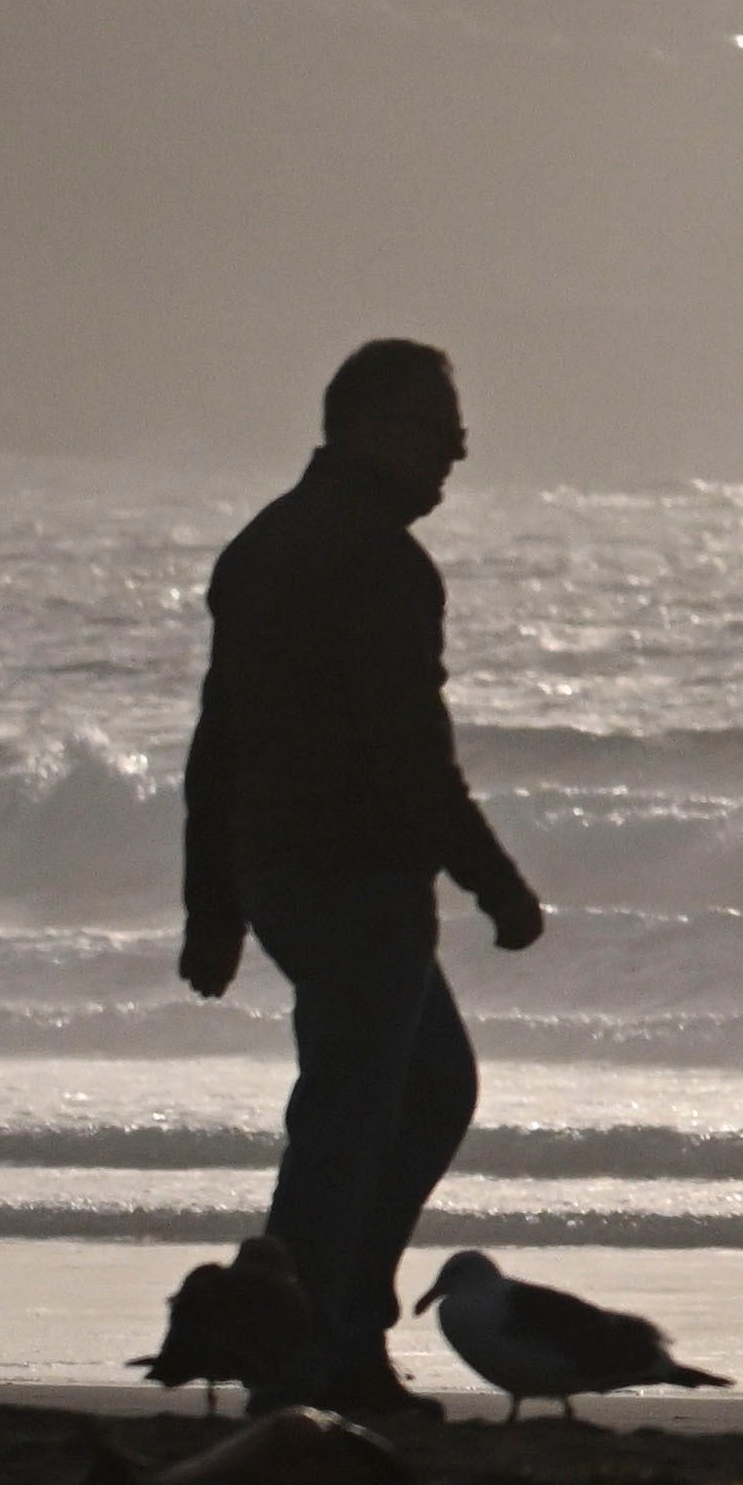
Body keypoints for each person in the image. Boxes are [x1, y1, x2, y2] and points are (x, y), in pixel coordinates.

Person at [175, 337, 540, 1411]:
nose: (460, 448)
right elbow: (409, 754)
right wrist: (496, 883)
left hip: (287, 875)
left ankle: (322, 1327)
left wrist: (216, 904)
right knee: (355, 1115)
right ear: (368, 425)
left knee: (412, 1093)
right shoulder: (373, 561)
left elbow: (217, 744)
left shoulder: (267, 543)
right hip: (354, 881)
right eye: (438, 426)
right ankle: (307, 1341)